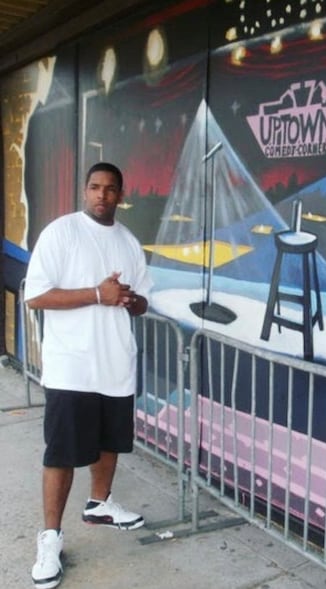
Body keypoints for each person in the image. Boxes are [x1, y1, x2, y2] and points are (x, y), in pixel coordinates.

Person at [24, 162, 153, 589]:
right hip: (71, 365)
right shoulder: (61, 233)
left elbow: (143, 302)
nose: (102, 195)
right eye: (95, 187)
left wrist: (131, 300)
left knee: (109, 443)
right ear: (85, 191)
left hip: (115, 362)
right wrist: (98, 293)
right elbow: (37, 295)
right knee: (61, 453)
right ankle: (50, 538)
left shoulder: (129, 242)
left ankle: (100, 504)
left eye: (110, 189)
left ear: (121, 195)